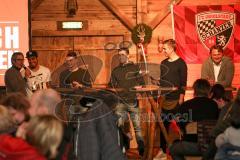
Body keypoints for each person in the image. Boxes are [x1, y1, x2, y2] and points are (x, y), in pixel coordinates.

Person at [154, 39, 187, 159]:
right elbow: (162, 82)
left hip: (176, 100)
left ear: (172, 48)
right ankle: (163, 151)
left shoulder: (181, 63)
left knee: (181, 125)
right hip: (164, 100)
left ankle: (182, 149)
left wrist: (181, 98)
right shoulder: (163, 63)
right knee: (163, 126)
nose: (163, 51)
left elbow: (183, 83)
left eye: (165, 49)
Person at [169, 79, 219, 160]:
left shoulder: (186, 105)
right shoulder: (214, 105)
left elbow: (179, 123)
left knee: (173, 149)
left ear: (194, 90)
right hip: (210, 147)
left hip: (192, 145)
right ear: (208, 91)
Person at [108, 47, 145, 156]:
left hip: (133, 102)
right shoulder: (115, 71)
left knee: (137, 127)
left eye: (123, 54)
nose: (121, 57)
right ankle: (122, 148)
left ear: (128, 55)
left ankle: (141, 149)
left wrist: (139, 91)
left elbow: (142, 83)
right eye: (119, 55)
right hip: (120, 103)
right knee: (119, 126)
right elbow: (111, 85)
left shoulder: (135, 67)